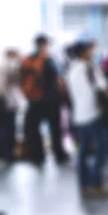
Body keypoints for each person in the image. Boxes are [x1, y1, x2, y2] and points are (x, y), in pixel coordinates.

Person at [65, 41, 108, 199]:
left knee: (83, 152)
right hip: (93, 114)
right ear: (84, 52)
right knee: (102, 149)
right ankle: (97, 184)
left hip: (78, 116)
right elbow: (103, 87)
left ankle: (84, 186)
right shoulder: (90, 67)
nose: (93, 52)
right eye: (90, 49)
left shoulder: (71, 69)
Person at [21, 35, 69, 165]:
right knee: (55, 129)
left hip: (34, 100)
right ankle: (59, 155)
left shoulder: (27, 59)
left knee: (33, 129)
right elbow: (58, 79)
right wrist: (64, 95)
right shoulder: (49, 59)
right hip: (51, 100)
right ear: (45, 44)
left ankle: (37, 156)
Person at [0, 49, 23, 162]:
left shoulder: (2, 65)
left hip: (3, 100)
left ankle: (4, 153)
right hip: (5, 101)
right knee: (9, 128)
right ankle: (8, 154)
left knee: (3, 128)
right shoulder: (9, 65)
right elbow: (17, 80)